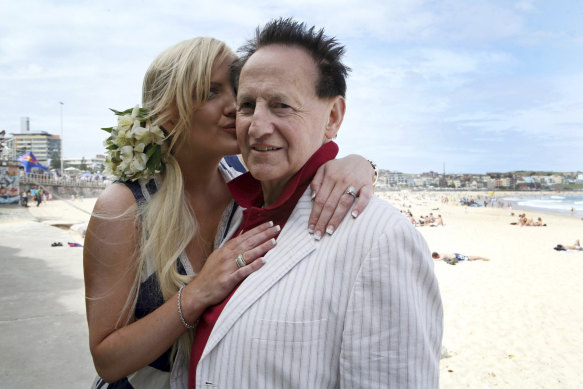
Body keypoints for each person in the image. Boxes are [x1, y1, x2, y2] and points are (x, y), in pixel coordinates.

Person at [84, 37, 376, 388]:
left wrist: (360, 165)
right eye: (210, 93)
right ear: (167, 111)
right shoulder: (125, 206)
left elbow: (307, 163)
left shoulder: (249, 189)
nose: (234, 106)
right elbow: (107, 361)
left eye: (236, 92)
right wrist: (197, 293)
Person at [189, 18, 442, 388]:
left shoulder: (381, 239)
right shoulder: (232, 211)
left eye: (281, 106)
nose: (257, 127)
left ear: (333, 116)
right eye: (247, 105)